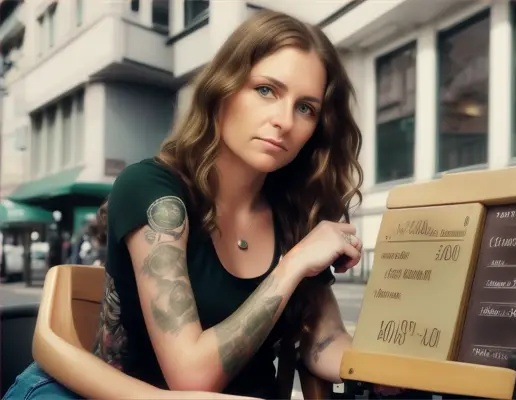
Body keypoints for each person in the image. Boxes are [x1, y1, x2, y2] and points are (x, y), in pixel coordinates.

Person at [3, 9, 389, 400]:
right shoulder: (155, 191)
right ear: (224, 89)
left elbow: (324, 342)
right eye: (266, 90)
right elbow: (191, 376)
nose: (284, 120)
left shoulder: (295, 213)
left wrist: (393, 369)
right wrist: (292, 266)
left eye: (306, 107)